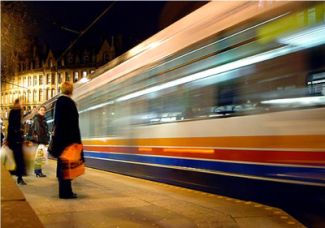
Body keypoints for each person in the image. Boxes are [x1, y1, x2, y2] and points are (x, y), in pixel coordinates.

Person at [49, 81, 82, 199]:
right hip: (69, 140)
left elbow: (57, 122)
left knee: (62, 166)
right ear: (71, 90)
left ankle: (64, 191)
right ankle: (65, 193)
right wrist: (76, 141)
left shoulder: (59, 102)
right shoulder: (70, 103)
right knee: (67, 167)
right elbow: (73, 124)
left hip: (61, 140)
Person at [7, 98, 27, 185]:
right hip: (16, 139)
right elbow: (13, 126)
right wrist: (19, 131)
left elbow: (11, 126)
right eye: (22, 103)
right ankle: (19, 177)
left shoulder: (16, 112)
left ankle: (18, 177)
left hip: (15, 139)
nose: (24, 104)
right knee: (18, 158)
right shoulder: (16, 112)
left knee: (17, 158)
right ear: (18, 103)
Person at [32, 105, 49, 177]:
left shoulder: (43, 119)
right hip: (40, 140)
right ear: (38, 111)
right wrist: (43, 140)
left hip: (42, 140)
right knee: (39, 156)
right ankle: (38, 172)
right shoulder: (37, 118)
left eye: (44, 110)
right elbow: (38, 130)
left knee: (40, 156)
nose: (43, 111)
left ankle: (38, 172)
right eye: (41, 110)